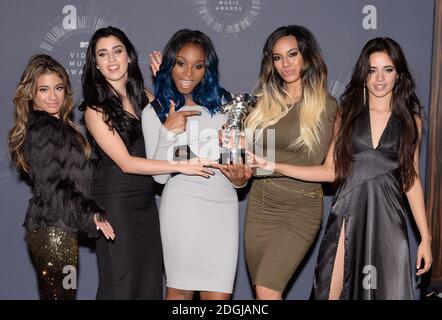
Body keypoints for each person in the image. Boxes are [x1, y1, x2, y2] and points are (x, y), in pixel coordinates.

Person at [248, 37, 433, 299]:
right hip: (348, 213)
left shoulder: (412, 122)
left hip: (389, 219)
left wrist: (426, 237)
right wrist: (272, 165)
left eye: (387, 70)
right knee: (330, 292)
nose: (379, 78)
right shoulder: (347, 114)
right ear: (363, 75)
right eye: (372, 70)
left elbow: (411, 180)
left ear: (399, 75)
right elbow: (329, 172)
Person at [80, 26, 213, 300]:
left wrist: (164, 77)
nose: (112, 60)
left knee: (150, 285)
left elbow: (173, 127)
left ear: (129, 56)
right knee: (122, 286)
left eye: (117, 51)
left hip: (146, 205)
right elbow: (127, 163)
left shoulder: (147, 98)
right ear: (95, 63)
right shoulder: (96, 109)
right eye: (103, 54)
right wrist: (181, 166)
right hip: (116, 206)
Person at [142, 29, 252, 300]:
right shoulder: (154, 111)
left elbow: (236, 170)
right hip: (181, 211)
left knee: (219, 296)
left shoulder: (225, 106)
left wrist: (240, 178)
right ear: (170, 64)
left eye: (198, 65)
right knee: (179, 294)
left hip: (222, 210)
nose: (188, 72)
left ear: (207, 70)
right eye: (181, 63)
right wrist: (168, 131)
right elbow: (158, 178)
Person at [242, 25, 338, 300]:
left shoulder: (327, 107)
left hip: (300, 209)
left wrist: (275, 167)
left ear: (306, 56)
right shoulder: (260, 104)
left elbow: (329, 172)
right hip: (260, 206)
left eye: (292, 54)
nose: (285, 64)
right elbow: (248, 161)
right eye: (277, 57)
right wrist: (235, 146)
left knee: (267, 291)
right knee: (265, 294)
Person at [8, 54, 115, 300]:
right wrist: (91, 211)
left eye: (58, 88)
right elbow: (54, 185)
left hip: (58, 229)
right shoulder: (43, 129)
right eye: (43, 90)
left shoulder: (62, 128)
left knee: (62, 295)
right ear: (31, 93)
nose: (53, 96)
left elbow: (78, 173)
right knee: (62, 296)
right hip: (53, 233)